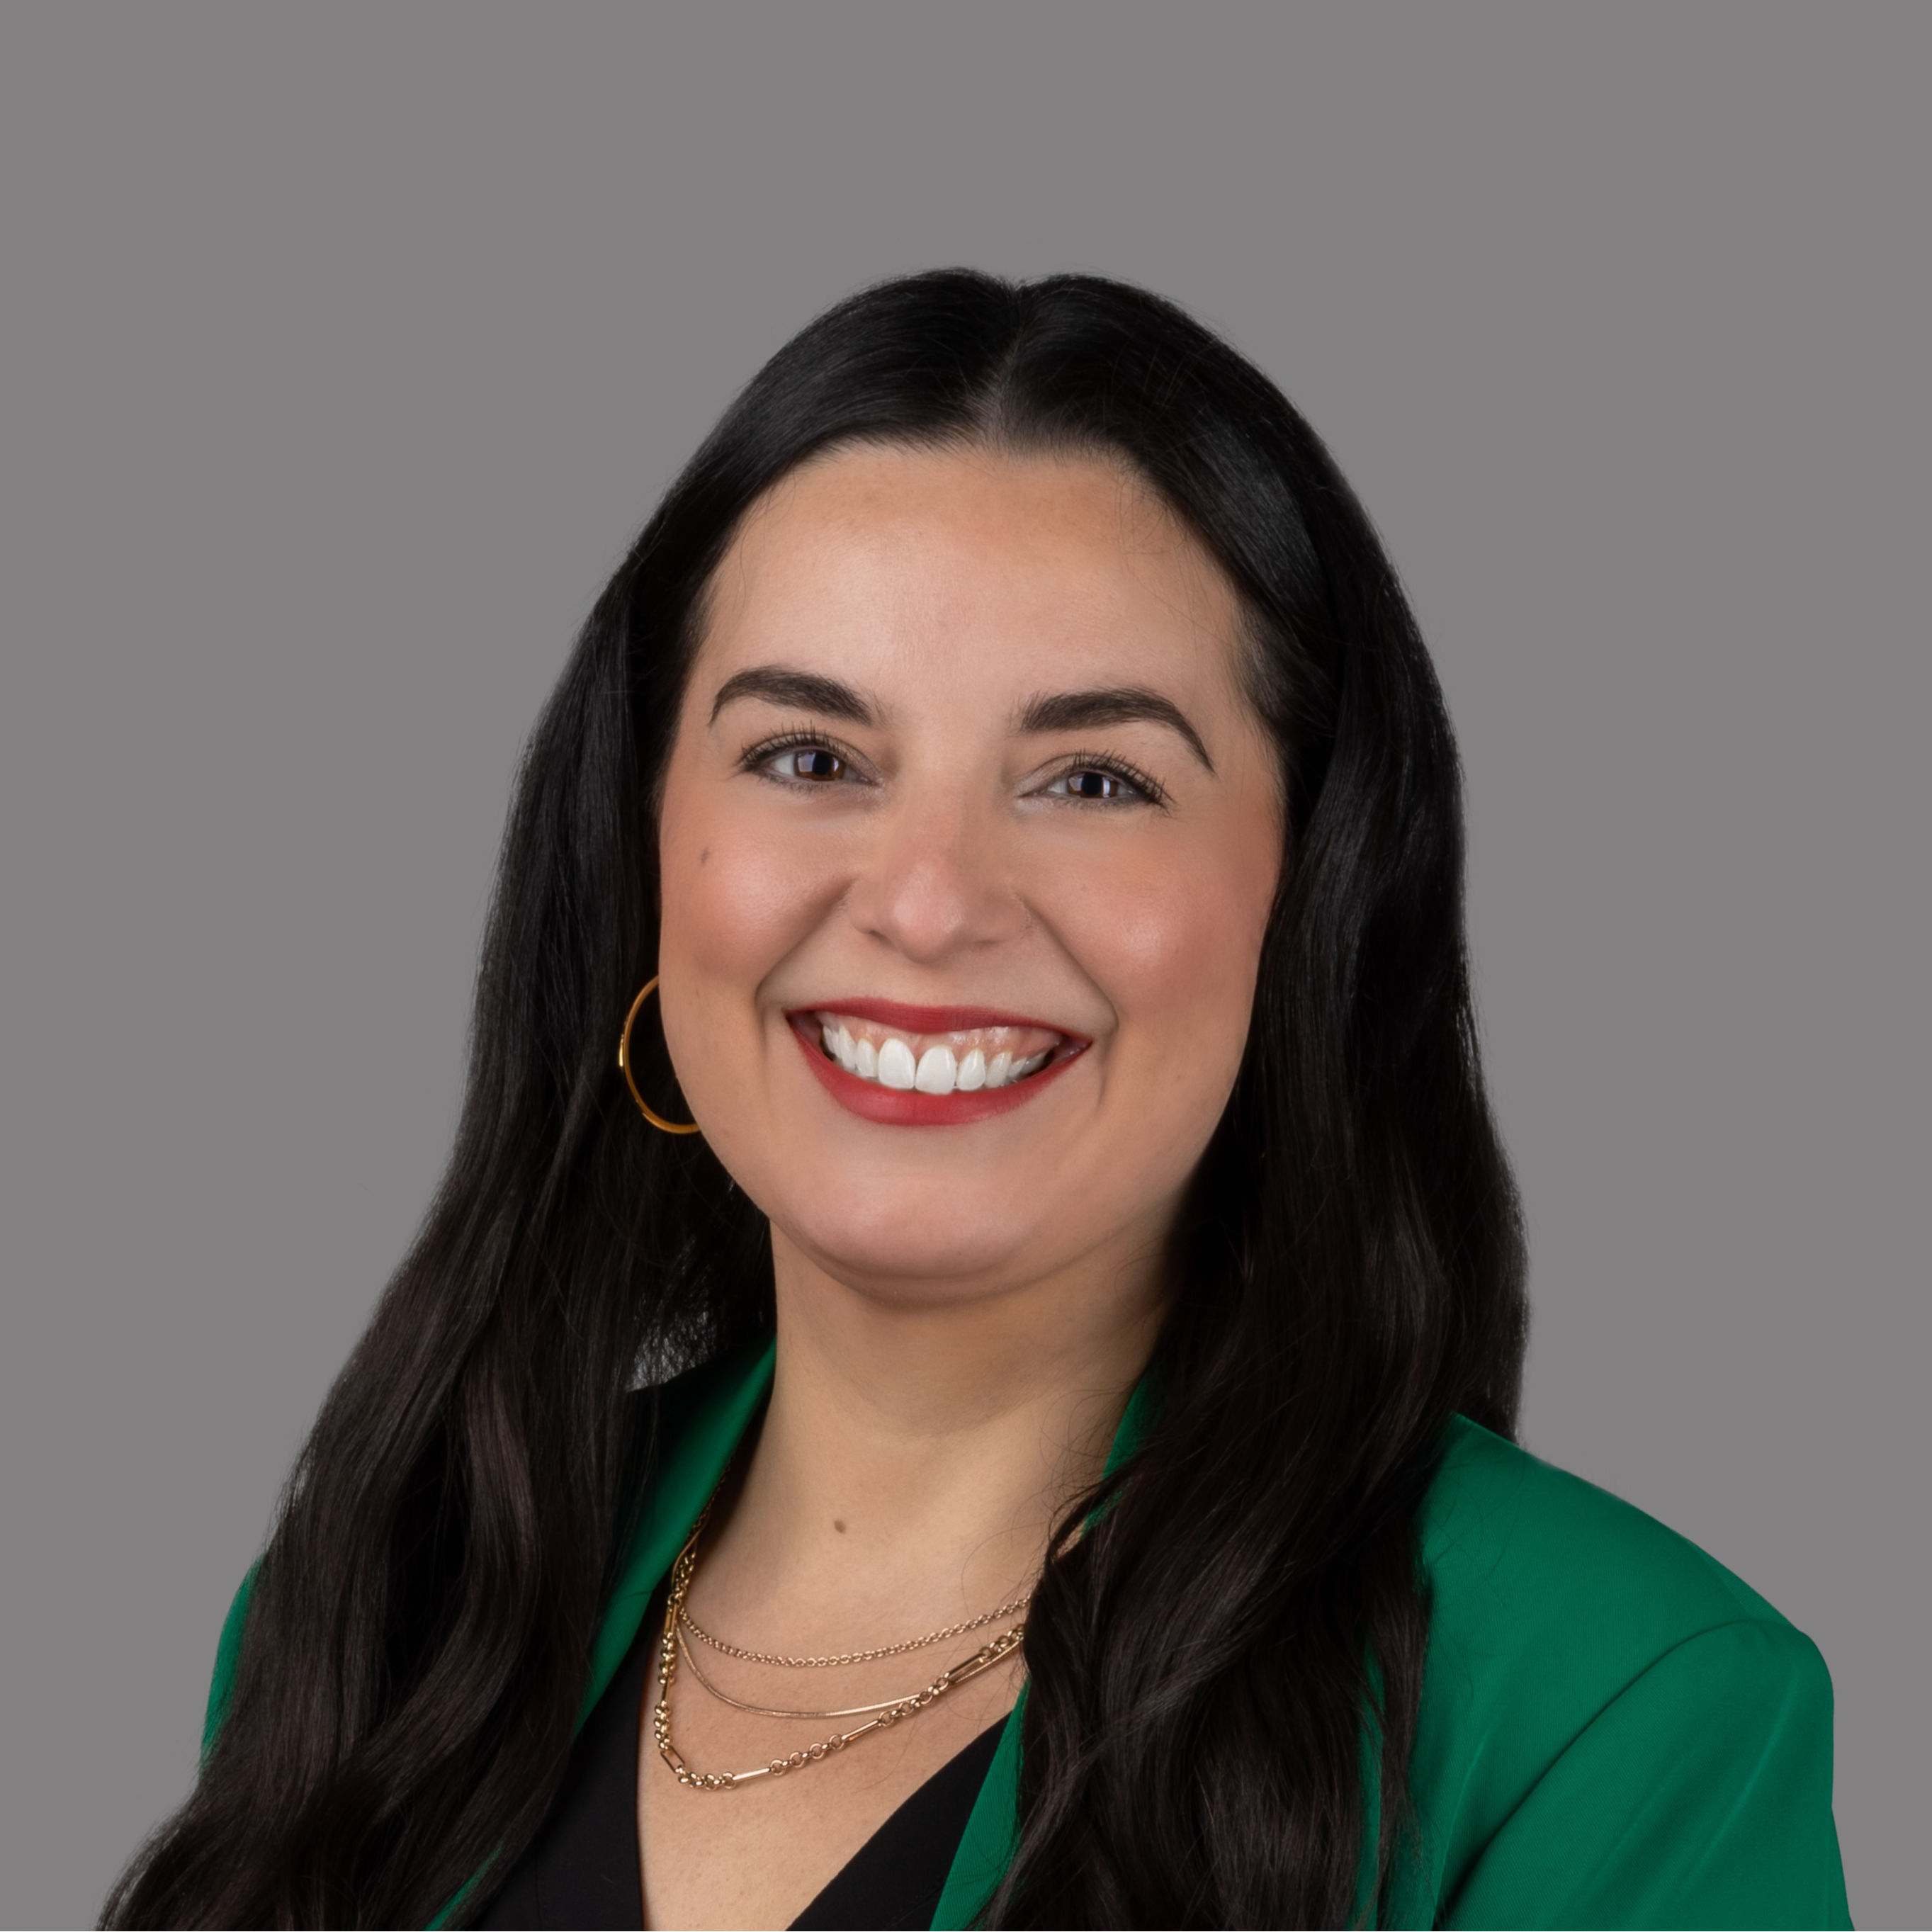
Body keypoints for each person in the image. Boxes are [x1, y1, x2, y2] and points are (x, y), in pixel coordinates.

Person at [106, 271, 1849, 1931]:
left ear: (1308, 902)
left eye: (1093, 777)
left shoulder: (1613, 1714)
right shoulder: (387, 1621)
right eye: (810, 758)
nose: (928, 899)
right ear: (645, 855)